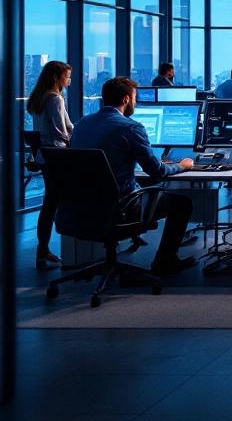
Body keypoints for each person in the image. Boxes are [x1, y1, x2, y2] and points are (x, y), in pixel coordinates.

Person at [71, 77, 197, 276]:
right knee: (182, 204)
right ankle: (165, 261)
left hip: (80, 208)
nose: (136, 103)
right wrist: (182, 165)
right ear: (126, 99)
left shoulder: (81, 125)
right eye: (135, 98)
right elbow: (157, 172)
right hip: (121, 208)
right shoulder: (130, 127)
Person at [26, 60, 74, 269]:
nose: (69, 80)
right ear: (57, 78)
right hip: (57, 156)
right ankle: (47, 252)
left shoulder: (38, 97)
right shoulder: (55, 99)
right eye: (67, 76)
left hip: (44, 156)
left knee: (49, 204)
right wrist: (77, 138)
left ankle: (43, 251)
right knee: (55, 203)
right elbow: (61, 131)